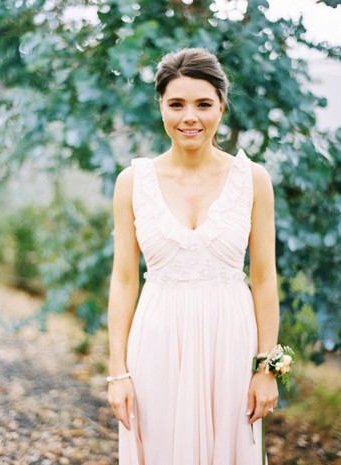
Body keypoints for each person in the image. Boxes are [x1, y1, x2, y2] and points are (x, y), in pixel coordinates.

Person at [106, 48, 280, 464]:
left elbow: (265, 279)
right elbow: (125, 280)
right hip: (156, 340)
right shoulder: (132, 182)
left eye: (203, 104)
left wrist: (265, 368)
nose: (190, 117)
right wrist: (118, 372)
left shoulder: (253, 180)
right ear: (160, 107)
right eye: (176, 104)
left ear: (221, 106)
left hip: (231, 342)